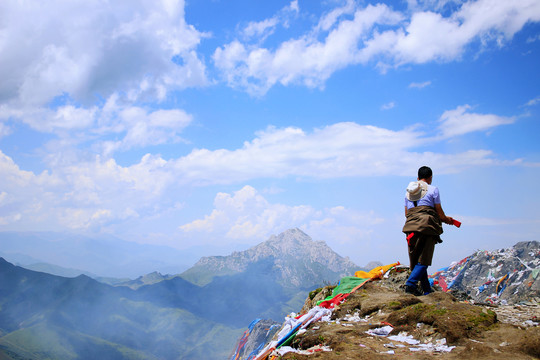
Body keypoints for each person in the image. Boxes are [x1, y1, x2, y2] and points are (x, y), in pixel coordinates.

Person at [402, 166, 454, 295]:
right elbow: (440, 215)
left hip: (410, 228)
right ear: (430, 178)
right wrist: (448, 220)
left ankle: (426, 291)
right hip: (427, 227)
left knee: (417, 260)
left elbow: (406, 213)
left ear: (418, 178)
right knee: (424, 260)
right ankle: (410, 284)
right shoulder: (433, 189)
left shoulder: (408, 192)